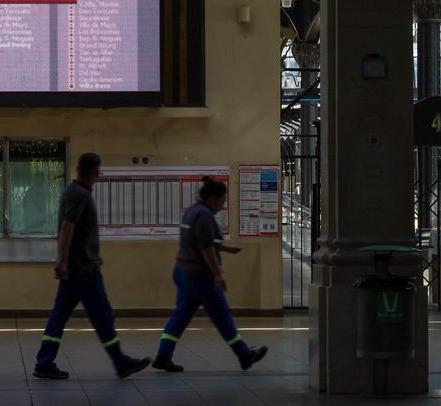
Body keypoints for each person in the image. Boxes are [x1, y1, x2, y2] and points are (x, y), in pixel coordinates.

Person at [34, 152, 151, 380]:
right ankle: (121, 362)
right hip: (83, 272)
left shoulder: (74, 191)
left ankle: (44, 362)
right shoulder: (80, 195)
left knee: (59, 317)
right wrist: (63, 260)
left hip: (78, 268)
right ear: (97, 171)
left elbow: (75, 231)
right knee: (103, 315)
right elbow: (68, 226)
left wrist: (83, 256)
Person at [152, 176, 268, 373]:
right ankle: (244, 355)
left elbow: (202, 241)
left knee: (180, 316)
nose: (222, 206)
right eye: (222, 201)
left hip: (182, 272)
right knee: (222, 315)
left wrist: (227, 249)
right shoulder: (204, 216)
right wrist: (218, 274)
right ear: (213, 198)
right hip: (200, 277)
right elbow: (206, 248)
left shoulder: (191, 211)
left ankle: (163, 355)